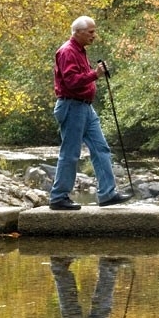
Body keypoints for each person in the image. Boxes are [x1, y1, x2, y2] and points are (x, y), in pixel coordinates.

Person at [50, 16, 132, 210]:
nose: (94, 35)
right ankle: (59, 197)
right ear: (78, 32)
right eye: (91, 32)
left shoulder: (80, 51)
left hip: (85, 107)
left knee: (101, 148)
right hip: (71, 106)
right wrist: (95, 74)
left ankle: (107, 194)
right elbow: (71, 82)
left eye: (94, 31)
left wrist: (95, 74)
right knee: (70, 153)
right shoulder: (67, 52)